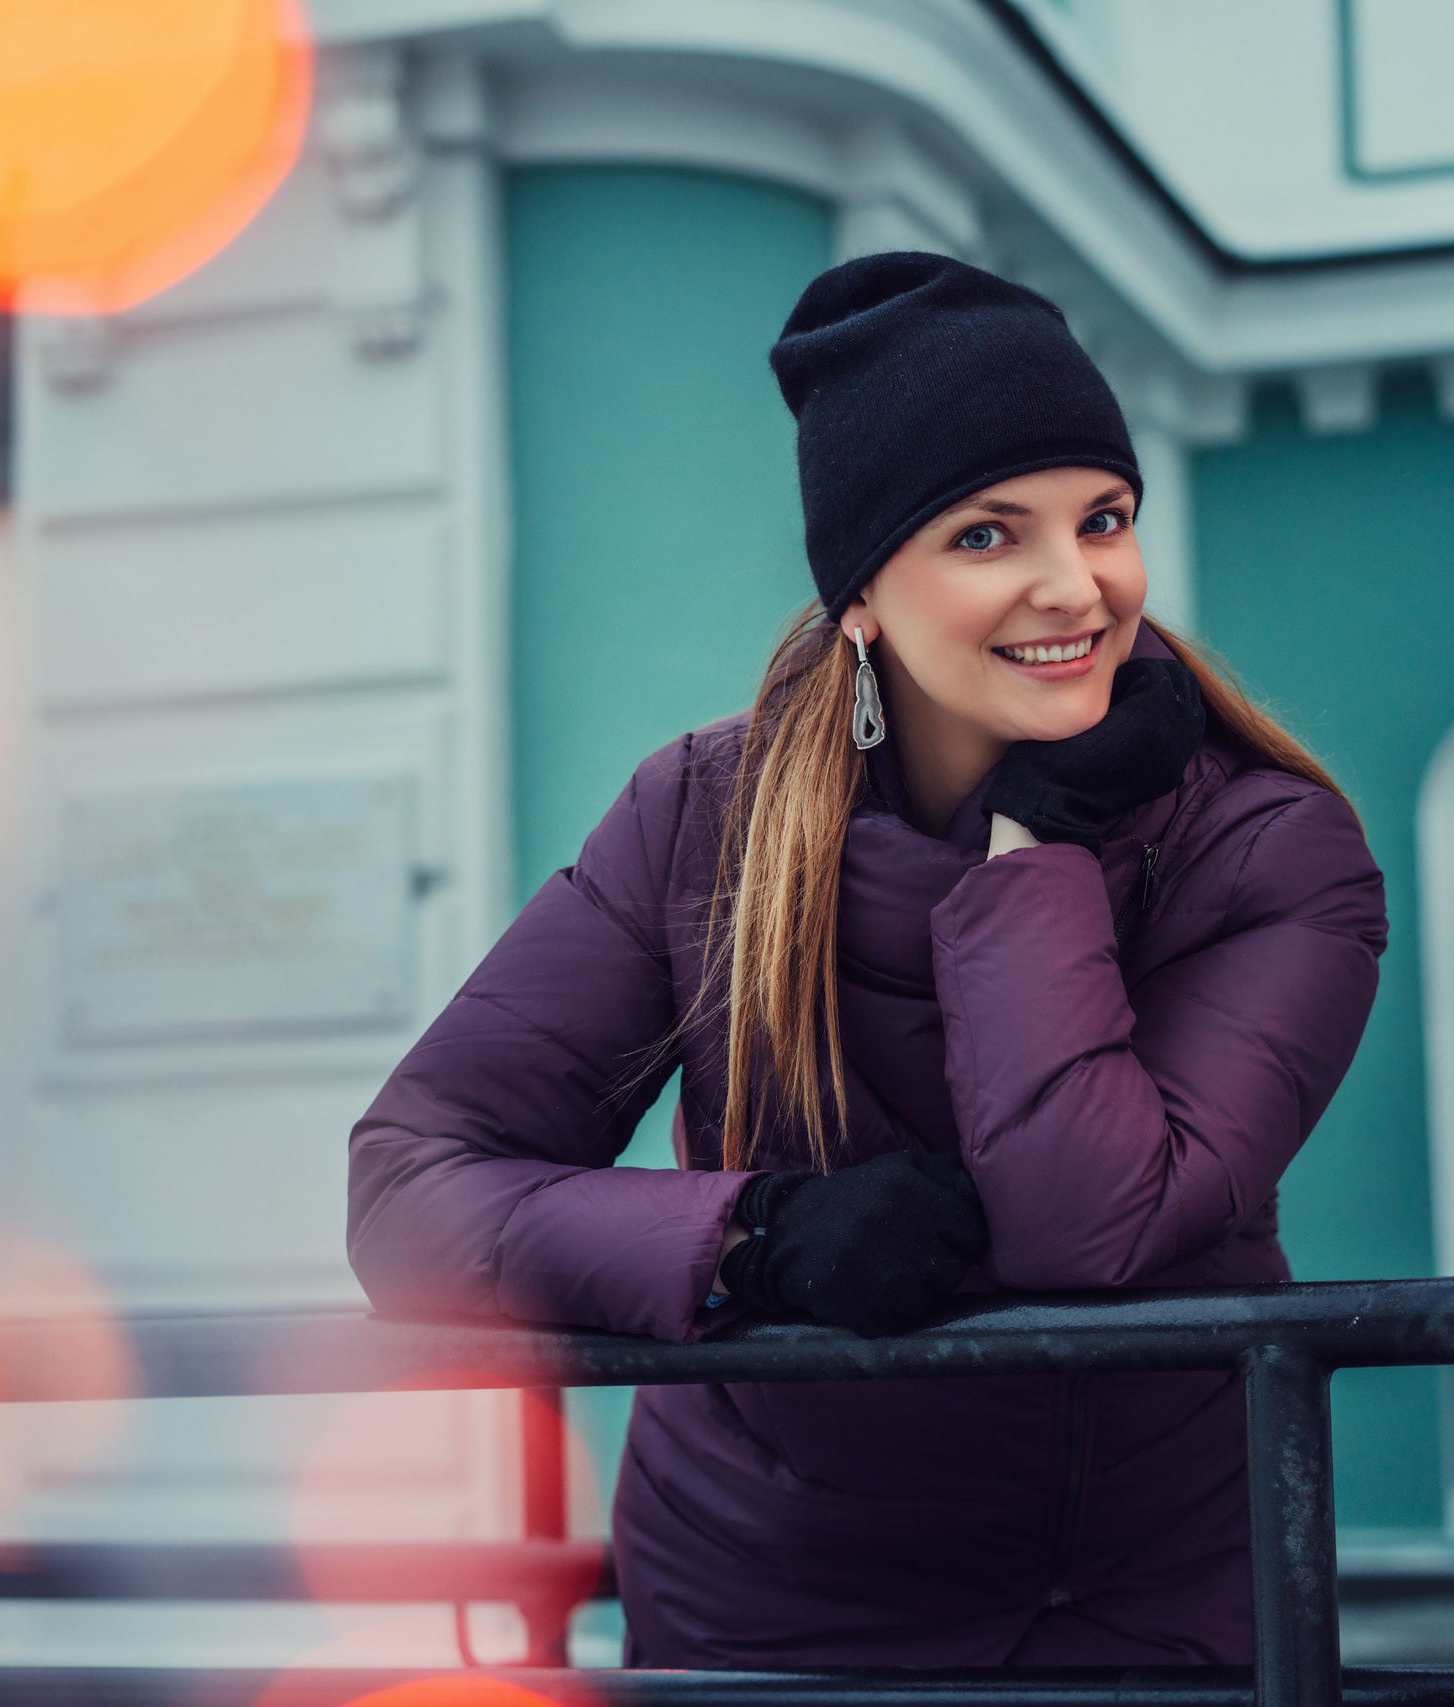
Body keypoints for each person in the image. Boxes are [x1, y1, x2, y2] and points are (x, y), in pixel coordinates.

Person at [348, 253, 1387, 1667]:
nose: (1073, 582)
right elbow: (413, 1182)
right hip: (775, 1600)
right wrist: (751, 1237)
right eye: (986, 535)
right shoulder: (701, 819)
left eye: (1105, 517)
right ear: (860, 597)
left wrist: (1035, 845)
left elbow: (1094, 1221)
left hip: (1156, 1597)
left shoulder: (1270, 846)